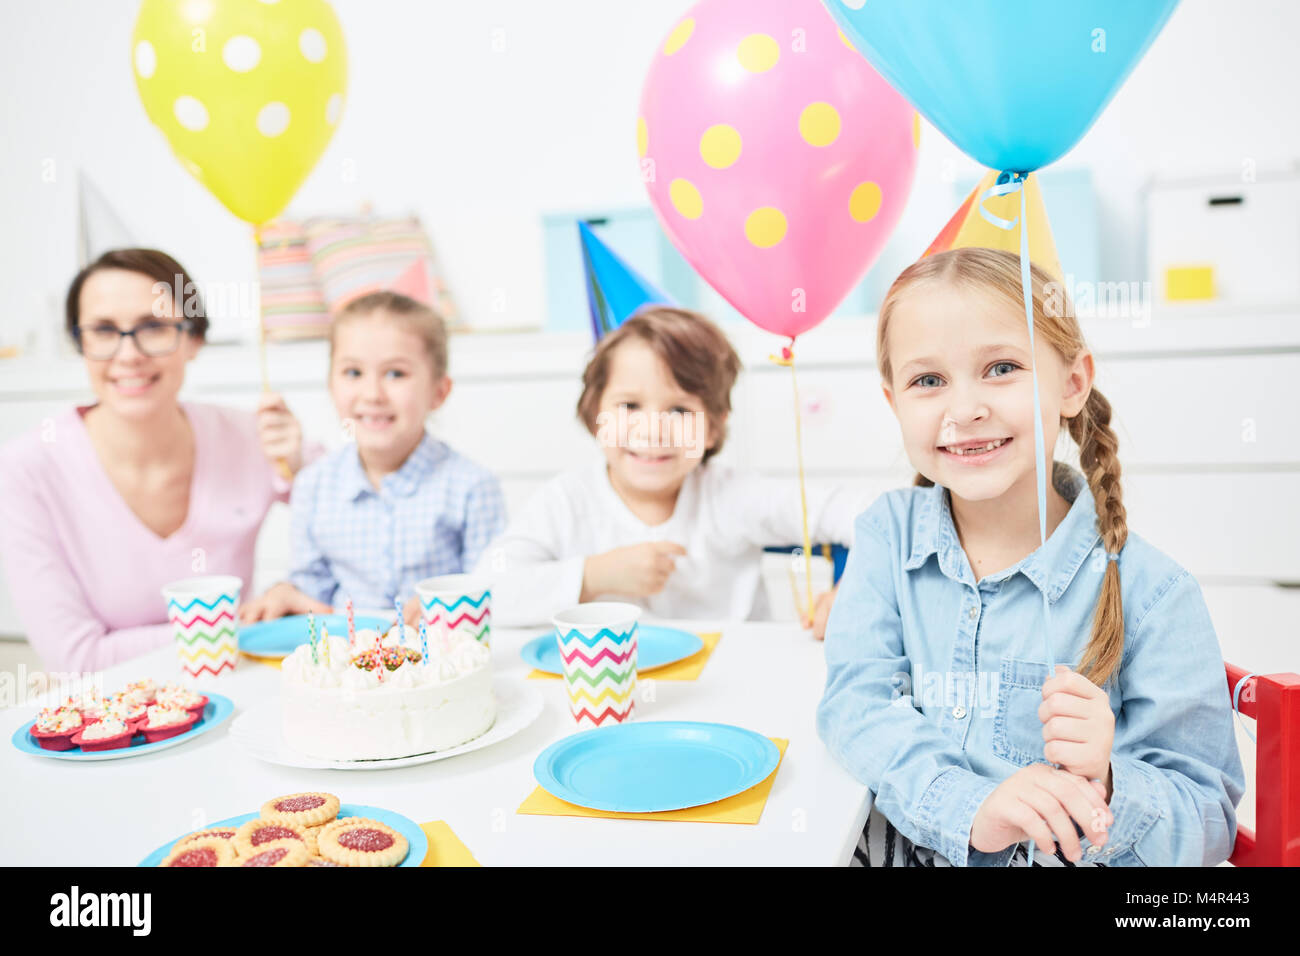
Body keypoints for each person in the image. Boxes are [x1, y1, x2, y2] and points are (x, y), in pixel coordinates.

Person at [817, 248, 1244, 866]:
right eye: (928, 381)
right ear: (894, 403)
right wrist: (969, 807)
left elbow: (1207, 826)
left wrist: (1108, 782)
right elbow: (856, 704)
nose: (964, 410)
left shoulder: (1155, 592)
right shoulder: (886, 536)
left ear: (1072, 383)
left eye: (1001, 368)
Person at [0, 249, 307, 670]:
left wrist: (305, 471)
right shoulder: (24, 470)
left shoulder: (253, 437)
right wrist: (241, 625)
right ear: (80, 343)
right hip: (110, 718)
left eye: (154, 326)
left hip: (238, 692)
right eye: (104, 330)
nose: (129, 355)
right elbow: (77, 658)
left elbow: (367, 519)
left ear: (194, 340)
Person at [477, 306, 870, 632]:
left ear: (714, 425)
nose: (652, 429)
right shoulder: (566, 501)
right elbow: (484, 594)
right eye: (629, 405)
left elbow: (870, 516)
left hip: (736, 685)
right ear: (595, 410)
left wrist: (856, 591)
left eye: (679, 410)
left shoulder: (731, 496)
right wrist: (592, 577)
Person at [240, 291, 506, 622]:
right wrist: (287, 592)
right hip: (348, 664)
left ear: (439, 392)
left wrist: (456, 605)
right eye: (353, 373)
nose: (372, 394)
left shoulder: (472, 487)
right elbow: (311, 590)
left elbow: (498, 590)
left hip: (438, 661)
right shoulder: (313, 484)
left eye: (395, 374)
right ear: (330, 384)